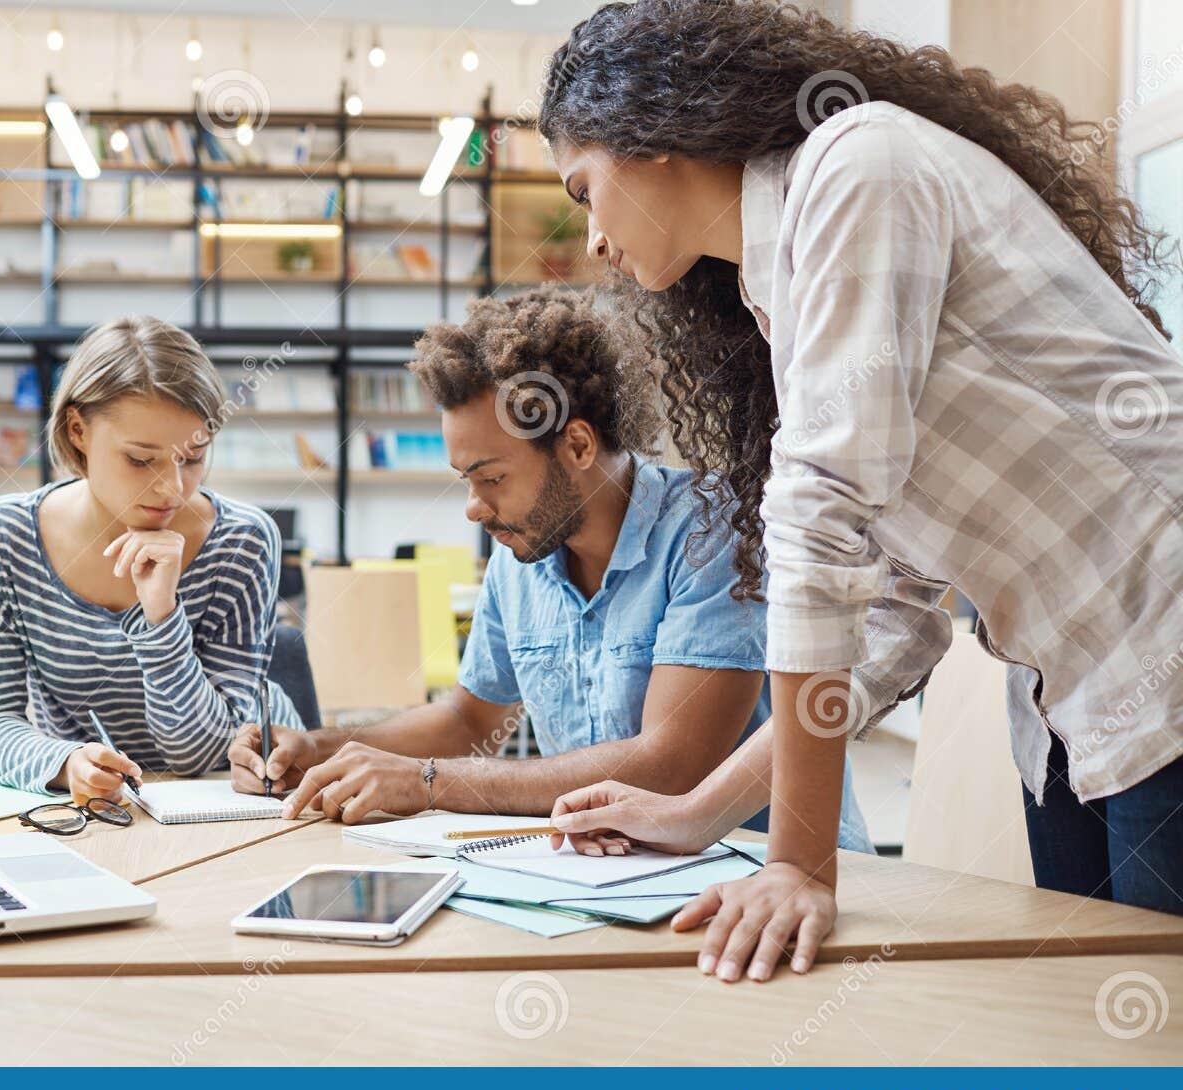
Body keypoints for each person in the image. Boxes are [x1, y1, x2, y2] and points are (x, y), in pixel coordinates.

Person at [537, 0, 1183, 983]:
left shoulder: (855, 166)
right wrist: (703, 808)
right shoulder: (778, 281)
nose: (591, 237)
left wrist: (797, 857)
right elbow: (890, 615)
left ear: (651, 134)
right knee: (1095, 1029)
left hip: (1159, 642)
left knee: (1155, 1038)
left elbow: (821, 513)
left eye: (584, 189)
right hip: (1069, 697)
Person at [227, 287, 872, 852]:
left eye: (492, 478)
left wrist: (427, 783)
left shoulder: (709, 531)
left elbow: (671, 764)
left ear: (579, 445)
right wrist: (321, 749)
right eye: (467, 482)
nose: (476, 509)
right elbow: (469, 721)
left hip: (758, 869)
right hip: (616, 874)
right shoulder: (523, 552)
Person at [0, 316, 301, 803]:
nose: (171, 489)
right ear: (77, 431)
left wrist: (161, 616)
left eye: (193, 457)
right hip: (94, 806)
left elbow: (199, 753)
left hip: (223, 801)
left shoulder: (243, 541)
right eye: (140, 459)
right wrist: (63, 763)